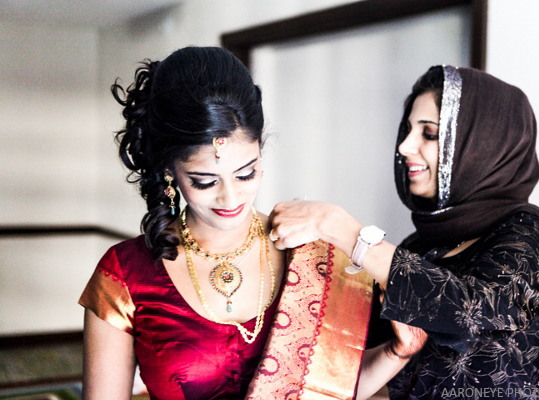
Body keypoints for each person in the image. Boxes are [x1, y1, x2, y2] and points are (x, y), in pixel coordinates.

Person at [269, 66, 539, 399]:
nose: (405, 147)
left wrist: (346, 231)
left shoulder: (526, 231)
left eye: (429, 134)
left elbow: (470, 310)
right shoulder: (419, 249)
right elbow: (363, 363)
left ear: (481, 146)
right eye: (408, 131)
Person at [79, 46, 378, 400]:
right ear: (170, 171)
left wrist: (396, 352)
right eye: (205, 181)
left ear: (260, 156)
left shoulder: (312, 252)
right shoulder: (125, 275)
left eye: (245, 174)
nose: (231, 198)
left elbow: (336, 388)